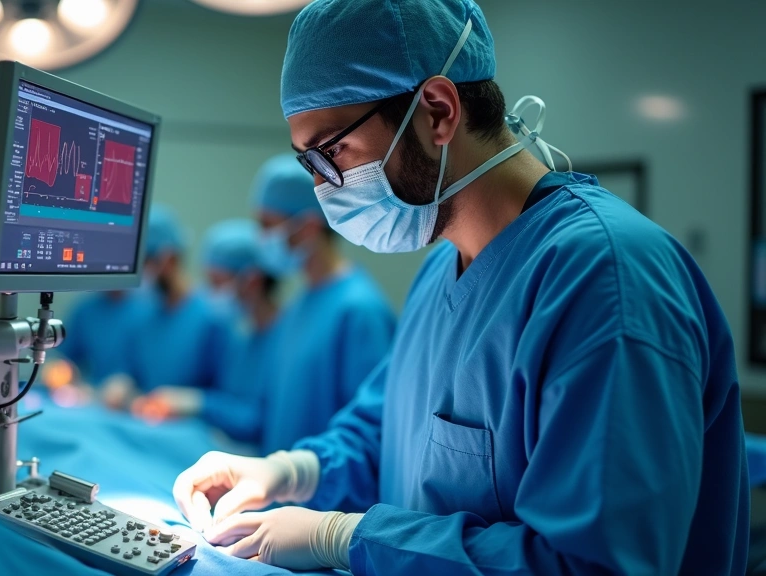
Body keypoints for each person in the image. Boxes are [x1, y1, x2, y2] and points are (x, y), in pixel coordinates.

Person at [172, 1, 748, 574]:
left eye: (333, 152)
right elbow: (388, 431)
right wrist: (292, 471)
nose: (326, 189)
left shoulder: (606, 280)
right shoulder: (441, 269)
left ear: (438, 111)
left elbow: (592, 564)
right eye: (310, 167)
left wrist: (346, 537)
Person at [252, 154, 395, 454]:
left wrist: (300, 476)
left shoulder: (360, 311)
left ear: (308, 227)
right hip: (281, 492)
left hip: (326, 496)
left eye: (267, 224)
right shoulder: (298, 304)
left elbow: (371, 437)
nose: (261, 238)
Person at [134, 219, 281, 447]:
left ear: (252, 281)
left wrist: (199, 403)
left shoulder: (283, 341)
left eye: (217, 282)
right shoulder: (246, 339)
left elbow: (263, 421)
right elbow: (231, 402)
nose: (209, 294)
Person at [101, 204, 232, 410]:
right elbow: (130, 368)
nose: (137, 274)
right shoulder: (141, 315)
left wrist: (192, 403)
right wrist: (122, 382)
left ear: (168, 259)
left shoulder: (212, 319)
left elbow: (227, 399)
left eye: (142, 264)